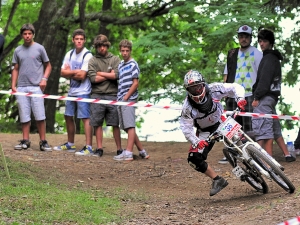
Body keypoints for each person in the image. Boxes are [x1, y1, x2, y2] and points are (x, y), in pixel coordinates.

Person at [180, 70, 247, 196]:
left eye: (198, 87)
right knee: (193, 159)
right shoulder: (187, 107)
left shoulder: (214, 89)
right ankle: (218, 180)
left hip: (221, 121)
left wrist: (240, 99)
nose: (197, 91)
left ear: (203, 84)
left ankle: (265, 163)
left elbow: (234, 87)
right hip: (205, 132)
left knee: (242, 141)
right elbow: (186, 127)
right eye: (193, 89)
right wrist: (196, 141)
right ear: (188, 90)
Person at [219, 24, 263, 164]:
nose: (243, 39)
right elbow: (226, 74)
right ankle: (231, 153)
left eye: (246, 36)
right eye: (241, 36)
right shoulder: (232, 53)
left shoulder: (257, 53)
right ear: (238, 38)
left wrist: (259, 95)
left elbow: (262, 75)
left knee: (249, 127)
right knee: (231, 126)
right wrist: (224, 92)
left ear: (250, 38)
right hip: (232, 94)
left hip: (250, 94)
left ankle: (251, 155)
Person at [100, 39, 149, 161]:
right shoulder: (121, 64)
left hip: (129, 99)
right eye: (123, 51)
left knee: (130, 126)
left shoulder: (133, 64)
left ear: (130, 51)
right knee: (127, 127)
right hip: (120, 98)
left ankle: (128, 152)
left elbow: (135, 83)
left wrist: (127, 97)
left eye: (127, 51)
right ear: (120, 51)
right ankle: (142, 151)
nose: (125, 53)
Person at [252, 28, 295, 162]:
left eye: (264, 41)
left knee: (264, 130)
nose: (261, 44)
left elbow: (264, 80)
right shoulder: (273, 57)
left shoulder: (269, 58)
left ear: (270, 42)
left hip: (265, 97)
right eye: (259, 41)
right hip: (272, 97)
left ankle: (268, 163)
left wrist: (257, 97)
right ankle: (287, 154)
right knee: (274, 126)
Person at [11, 23, 52, 151]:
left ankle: (43, 141)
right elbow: (15, 68)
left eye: (29, 33)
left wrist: (44, 79)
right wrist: (13, 85)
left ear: (33, 34)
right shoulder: (18, 50)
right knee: (24, 116)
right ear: (22, 35)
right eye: (25, 34)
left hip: (36, 87)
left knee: (40, 116)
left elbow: (48, 65)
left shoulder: (39, 48)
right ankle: (25, 140)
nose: (27, 36)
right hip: (22, 87)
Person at [53, 29, 93, 155]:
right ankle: (70, 144)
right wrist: (75, 73)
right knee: (68, 116)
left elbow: (82, 76)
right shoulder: (69, 54)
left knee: (85, 118)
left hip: (84, 91)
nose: (79, 41)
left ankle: (89, 147)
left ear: (84, 40)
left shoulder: (88, 55)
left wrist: (70, 73)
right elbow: (62, 72)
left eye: (81, 39)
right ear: (73, 40)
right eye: (77, 39)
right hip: (72, 91)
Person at [87, 34, 123, 157]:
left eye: (103, 45)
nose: (101, 48)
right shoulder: (92, 60)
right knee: (97, 123)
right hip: (97, 94)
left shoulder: (115, 59)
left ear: (107, 45)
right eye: (99, 46)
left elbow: (116, 76)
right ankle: (99, 149)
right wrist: (108, 74)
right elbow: (93, 78)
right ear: (96, 47)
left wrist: (101, 73)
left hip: (113, 94)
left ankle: (119, 149)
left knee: (115, 124)